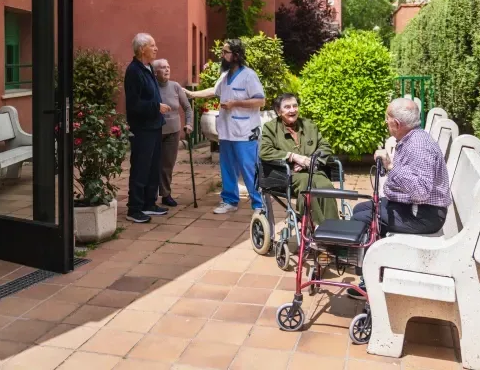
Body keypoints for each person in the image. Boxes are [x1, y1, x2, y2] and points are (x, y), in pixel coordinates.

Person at [347, 97, 452, 298]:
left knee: (364, 218)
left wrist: (390, 166)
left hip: (424, 216)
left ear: (396, 123)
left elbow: (420, 191)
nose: (385, 122)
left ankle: (369, 282)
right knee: (360, 209)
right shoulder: (412, 138)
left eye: (387, 118)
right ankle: (372, 268)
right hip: (415, 207)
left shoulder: (418, 146)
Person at [184, 39, 264, 214]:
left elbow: (260, 101)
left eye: (225, 52)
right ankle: (229, 201)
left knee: (249, 168)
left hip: (244, 132)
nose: (222, 55)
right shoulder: (225, 75)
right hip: (226, 130)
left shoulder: (249, 76)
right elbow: (214, 91)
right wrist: (191, 94)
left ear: (236, 55)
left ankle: (259, 204)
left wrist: (235, 103)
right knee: (227, 168)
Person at [260, 93, 339, 225]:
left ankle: (333, 227)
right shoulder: (271, 128)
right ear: (278, 111)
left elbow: (325, 147)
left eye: (295, 106)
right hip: (288, 174)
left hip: (313, 170)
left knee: (326, 185)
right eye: (287, 107)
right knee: (308, 186)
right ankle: (317, 226)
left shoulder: (309, 125)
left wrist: (309, 161)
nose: (292, 110)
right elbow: (265, 151)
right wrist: (293, 156)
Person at [123, 33, 171, 223]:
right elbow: (134, 104)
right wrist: (156, 107)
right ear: (142, 49)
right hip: (142, 128)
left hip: (154, 125)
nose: (156, 48)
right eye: (152, 45)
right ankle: (134, 208)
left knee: (153, 167)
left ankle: (148, 203)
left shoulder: (148, 67)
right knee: (141, 167)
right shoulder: (134, 71)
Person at [152, 58, 194, 207]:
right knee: (152, 164)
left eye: (168, 67)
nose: (167, 69)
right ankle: (150, 195)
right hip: (155, 131)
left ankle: (166, 194)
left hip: (173, 131)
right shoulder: (151, 87)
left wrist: (189, 124)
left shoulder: (175, 86)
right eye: (163, 67)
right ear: (155, 72)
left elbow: (188, 108)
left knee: (167, 164)